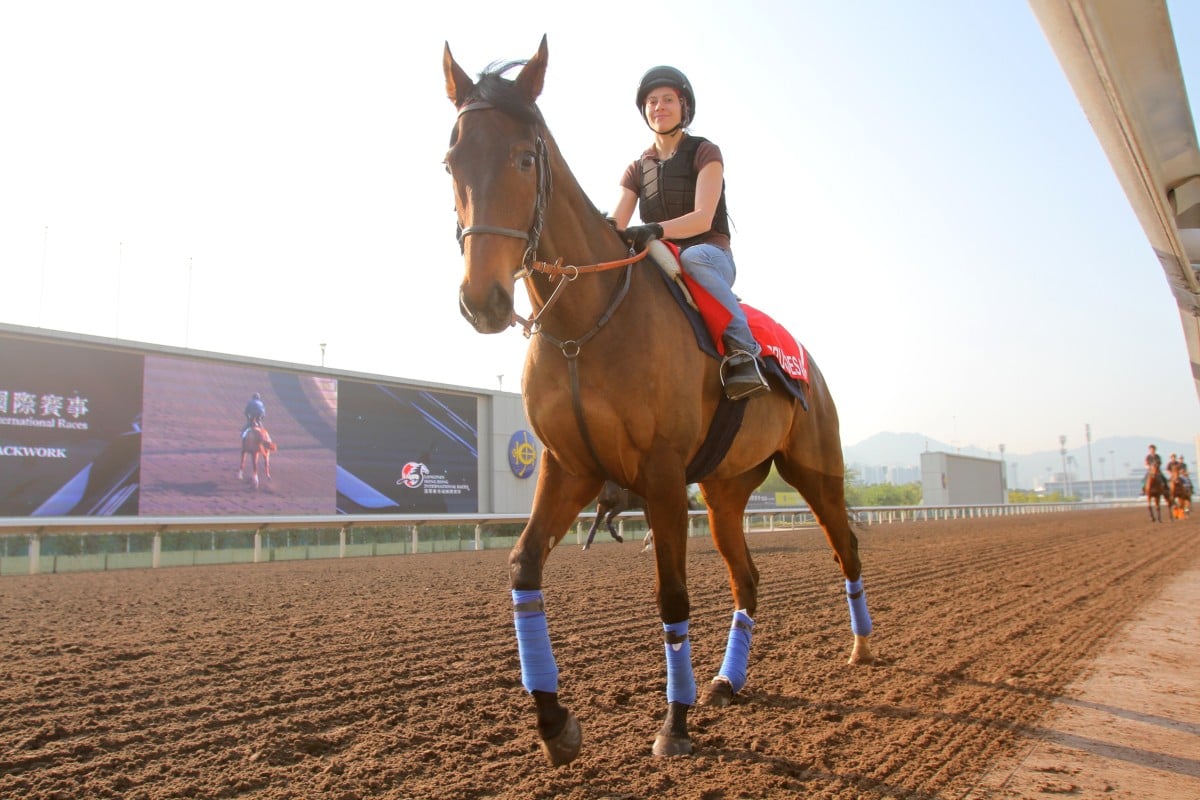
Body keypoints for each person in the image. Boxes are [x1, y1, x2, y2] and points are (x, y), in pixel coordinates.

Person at [611, 65, 769, 401]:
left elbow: (702, 218)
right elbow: (615, 228)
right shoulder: (635, 170)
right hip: (660, 259)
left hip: (710, 256)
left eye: (668, 99)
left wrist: (654, 229)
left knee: (695, 258)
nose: (659, 107)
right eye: (652, 101)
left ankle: (744, 350)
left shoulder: (705, 152)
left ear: (684, 107)